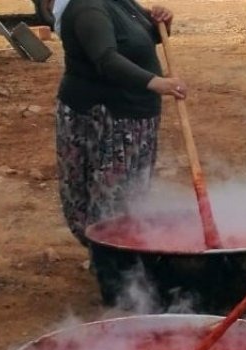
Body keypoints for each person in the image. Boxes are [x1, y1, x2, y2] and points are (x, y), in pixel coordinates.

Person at [52, 0, 186, 247]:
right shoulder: (88, 8)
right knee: (109, 198)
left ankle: (118, 253)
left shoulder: (119, 2)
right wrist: (155, 82)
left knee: (128, 195)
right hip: (107, 118)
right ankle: (109, 257)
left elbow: (134, 40)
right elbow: (106, 59)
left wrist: (163, 23)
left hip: (132, 116)